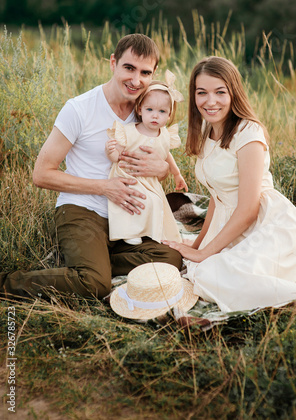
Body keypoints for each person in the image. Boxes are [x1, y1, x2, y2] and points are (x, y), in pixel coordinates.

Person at [0, 34, 182, 300]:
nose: (136, 80)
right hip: (83, 210)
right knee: (95, 285)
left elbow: (161, 159)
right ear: (113, 63)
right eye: (129, 68)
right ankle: (8, 283)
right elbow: (41, 174)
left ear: (153, 75)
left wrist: (163, 169)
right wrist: (105, 188)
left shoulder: (148, 111)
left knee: (171, 258)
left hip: (127, 218)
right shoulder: (79, 109)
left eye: (145, 73)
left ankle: (92, 263)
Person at [163, 56, 296, 312]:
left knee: (208, 274)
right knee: (199, 272)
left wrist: (203, 253)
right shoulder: (207, 134)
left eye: (220, 92)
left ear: (234, 93)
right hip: (232, 225)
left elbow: (249, 209)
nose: (210, 101)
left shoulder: (248, 133)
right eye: (202, 93)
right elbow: (217, 200)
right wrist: (198, 245)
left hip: (270, 227)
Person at [106, 70, 188, 246]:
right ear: (140, 110)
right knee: (135, 200)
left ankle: (151, 232)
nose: (155, 115)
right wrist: (111, 151)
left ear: (169, 115)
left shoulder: (165, 135)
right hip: (129, 176)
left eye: (162, 111)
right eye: (150, 110)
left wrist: (177, 174)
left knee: (156, 202)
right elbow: (117, 156)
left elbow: (166, 156)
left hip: (150, 181)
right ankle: (129, 231)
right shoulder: (130, 131)